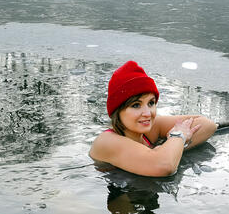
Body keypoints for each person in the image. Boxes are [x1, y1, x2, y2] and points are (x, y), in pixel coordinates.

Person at [89, 61, 217, 177]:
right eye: (136, 105)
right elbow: (165, 166)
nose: (147, 113)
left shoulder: (149, 128)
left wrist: (169, 148)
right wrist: (177, 137)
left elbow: (207, 125)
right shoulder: (107, 141)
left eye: (151, 103)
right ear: (118, 111)